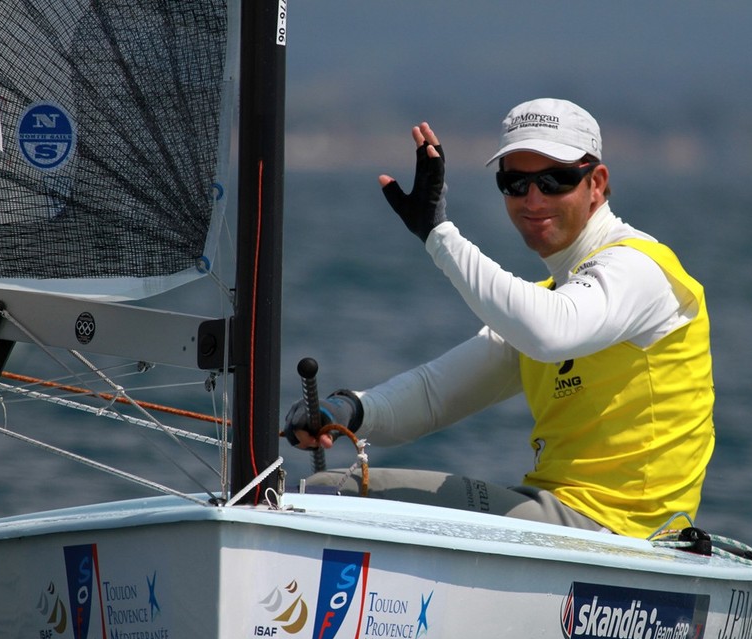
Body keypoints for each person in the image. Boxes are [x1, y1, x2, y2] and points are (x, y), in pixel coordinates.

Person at [284, 98, 715, 539]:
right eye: (515, 182)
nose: (533, 199)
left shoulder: (637, 269)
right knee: (326, 489)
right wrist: (346, 410)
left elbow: (551, 331)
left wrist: (438, 235)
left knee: (330, 493)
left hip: (624, 534)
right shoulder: (548, 303)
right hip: (562, 515)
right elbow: (434, 397)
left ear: (597, 184)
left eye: (555, 180)